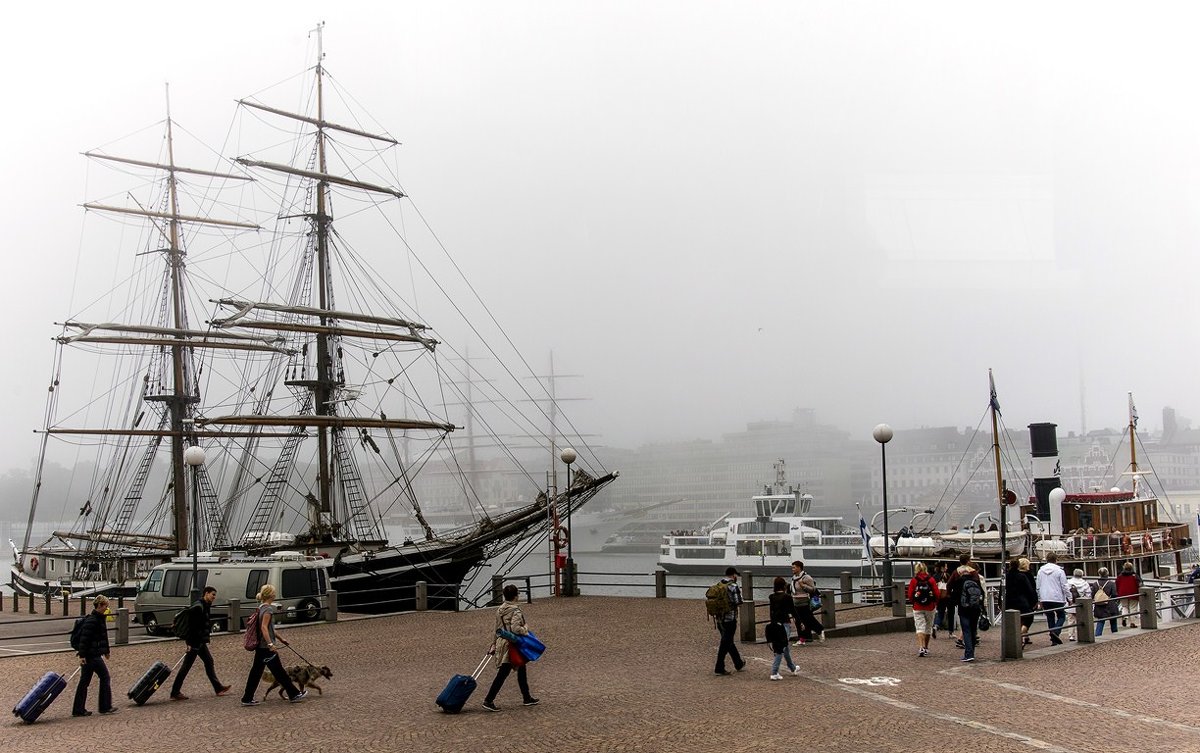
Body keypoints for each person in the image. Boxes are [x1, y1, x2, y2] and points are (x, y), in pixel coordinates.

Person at [239, 584, 306, 706]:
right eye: (274, 593)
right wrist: (270, 644)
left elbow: (270, 629)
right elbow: (264, 628)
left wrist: (281, 639)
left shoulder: (261, 608)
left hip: (261, 648)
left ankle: (247, 698)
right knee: (279, 672)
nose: (275, 595)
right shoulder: (268, 610)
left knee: (256, 673)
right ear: (271, 595)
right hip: (266, 648)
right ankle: (294, 694)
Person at [481, 583, 539, 710]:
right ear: (515, 596)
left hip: (502, 641)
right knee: (503, 673)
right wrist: (525, 629)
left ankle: (527, 697)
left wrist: (494, 643)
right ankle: (488, 700)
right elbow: (515, 628)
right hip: (512, 644)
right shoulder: (515, 610)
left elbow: (497, 628)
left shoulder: (500, 609)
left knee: (522, 668)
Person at [170, 586, 232, 700]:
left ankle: (218, 688)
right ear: (206, 593)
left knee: (209, 661)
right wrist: (189, 643)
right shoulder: (198, 607)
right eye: (213, 594)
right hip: (194, 642)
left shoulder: (204, 606)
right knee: (186, 667)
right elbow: (192, 627)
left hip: (199, 642)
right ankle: (175, 692)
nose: (214, 597)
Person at [72, 595, 118, 717]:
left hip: (90, 655)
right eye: (105, 606)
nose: (106, 609)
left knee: (84, 682)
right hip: (92, 656)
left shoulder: (97, 619)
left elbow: (102, 637)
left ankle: (78, 709)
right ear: (99, 606)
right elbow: (84, 639)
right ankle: (104, 706)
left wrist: (106, 650)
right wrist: (82, 655)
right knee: (105, 677)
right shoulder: (93, 620)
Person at [948, 554, 983, 662]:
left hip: (963, 605)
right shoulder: (974, 573)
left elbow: (949, 585)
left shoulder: (956, 573)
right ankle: (972, 652)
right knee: (973, 629)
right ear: (968, 561)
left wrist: (953, 598)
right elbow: (980, 589)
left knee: (966, 629)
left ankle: (969, 654)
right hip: (975, 605)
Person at [713, 567, 745, 675]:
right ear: (734, 575)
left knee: (728, 641)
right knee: (725, 643)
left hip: (719, 619)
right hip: (730, 619)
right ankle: (719, 667)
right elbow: (738, 602)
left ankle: (738, 663)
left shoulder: (719, 584)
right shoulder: (733, 586)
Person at [766, 576, 799, 679]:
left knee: (784, 647)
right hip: (785, 623)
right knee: (781, 647)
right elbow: (793, 611)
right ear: (784, 585)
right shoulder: (787, 597)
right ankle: (774, 672)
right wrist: (799, 622)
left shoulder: (772, 597)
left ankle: (792, 667)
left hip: (775, 624)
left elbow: (771, 611)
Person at [1035, 552, 1070, 645]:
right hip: (1057, 597)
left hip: (1045, 597)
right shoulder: (1059, 571)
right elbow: (1064, 586)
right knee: (1061, 616)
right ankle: (1056, 631)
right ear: (1056, 560)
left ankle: (1053, 639)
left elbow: (1038, 586)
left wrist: (1039, 598)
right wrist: (1069, 597)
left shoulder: (1040, 571)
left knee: (1050, 617)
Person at [906, 562, 939, 657]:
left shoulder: (914, 580)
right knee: (928, 627)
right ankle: (926, 647)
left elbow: (910, 595)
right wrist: (935, 602)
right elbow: (936, 593)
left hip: (917, 606)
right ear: (925, 569)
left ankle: (920, 647)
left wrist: (914, 602)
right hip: (930, 606)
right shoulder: (931, 580)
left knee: (920, 627)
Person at [789, 561, 825, 644]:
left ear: (799, 567)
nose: (792, 569)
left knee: (808, 620)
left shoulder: (806, 577)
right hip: (796, 603)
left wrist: (803, 585)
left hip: (805, 602)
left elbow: (813, 589)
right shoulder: (794, 578)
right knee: (799, 621)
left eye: (794, 567)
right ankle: (802, 639)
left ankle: (819, 630)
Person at [1005, 557, 1038, 646]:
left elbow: (1002, 590)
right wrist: (1034, 601)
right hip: (1021, 602)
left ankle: (1019, 638)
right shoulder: (1022, 576)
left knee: (1012, 621)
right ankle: (1019, 635)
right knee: (1028, 618)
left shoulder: (1006, 576)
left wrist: (1001, 603)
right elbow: (1030, 590)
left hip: (1008, 602)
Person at [1065, 568, 1092, 642]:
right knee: (1081, 621)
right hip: (1081, 604)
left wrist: (1069, 599)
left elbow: (1066, 592)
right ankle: (1082, 634)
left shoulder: (1069, 582)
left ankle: (1071, 635)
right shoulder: (1085, 583)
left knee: (1071, 620)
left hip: (1071, 604)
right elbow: (1088, 594)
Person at [1092, 567, 1119, 635]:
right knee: (1113, 620)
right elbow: (1114, 594)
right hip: (1110, 604)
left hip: (1099, 605)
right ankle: (1115, 634)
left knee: (1100, 621)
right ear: (1107, 574)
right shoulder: (1111, 583)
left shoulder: (1095, 584)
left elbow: (1092, 595)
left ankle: (1098, 635)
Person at [1115, 561, 1142, 628]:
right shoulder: (1134, 575)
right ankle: (1132, 622)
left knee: (1124, 606)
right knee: (1133, 608)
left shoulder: (1120, 576)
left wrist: (1118, 592)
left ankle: (1124, 617)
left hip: (1122, 593)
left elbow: (1116, 584)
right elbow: (1140, 584)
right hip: (1133, 593)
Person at [933, 563, 955, 639]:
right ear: (943, 567)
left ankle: (936, 625)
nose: (947, 568)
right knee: (951, 614)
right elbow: (952, 585)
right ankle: (951, 632)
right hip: (949, 597)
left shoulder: (935, 576)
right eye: (946, 566)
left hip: (940, 597)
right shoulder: (948, 575)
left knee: (940, 612)